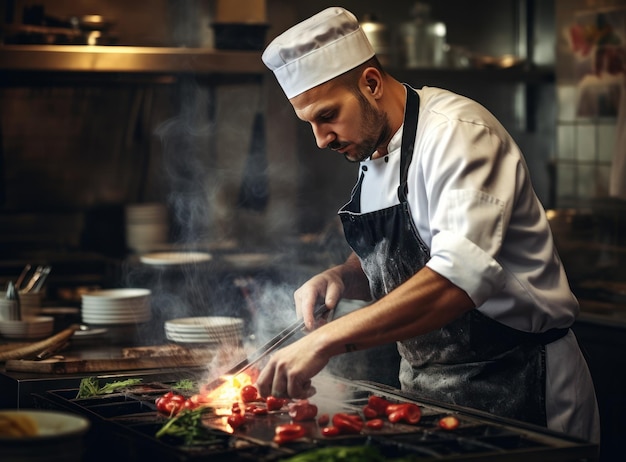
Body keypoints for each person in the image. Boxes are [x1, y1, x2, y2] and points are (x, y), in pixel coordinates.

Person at [257, 6, 600, 443]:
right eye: (309, 124)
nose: (321, 139)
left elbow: (457, 278)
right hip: (428, 396)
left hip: (521, 385)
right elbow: (405, 250)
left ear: (371, 83)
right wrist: (344, 276)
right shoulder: (374, 145)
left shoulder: (459, 135)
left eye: (327, 116)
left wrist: (323, 342)